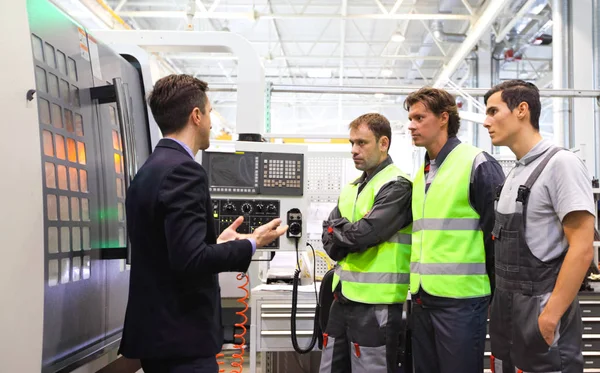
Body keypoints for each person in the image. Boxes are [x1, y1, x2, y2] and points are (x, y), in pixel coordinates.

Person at [118, 74, 287, 373]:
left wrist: (217, 243)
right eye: (209, 113)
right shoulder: (184, 172)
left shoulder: (149, 170)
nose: (211, 123)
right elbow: (190, 260)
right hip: (182, 340)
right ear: (196, 116)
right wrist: (251, 242)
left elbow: (168, 250)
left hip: (159, 334)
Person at [484, 79, 595, 372]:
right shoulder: (515, 173)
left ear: (522, 110)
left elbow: (582, 249)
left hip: (542, 310)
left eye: (494, 111)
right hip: (507, 310)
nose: (486, 122)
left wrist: (550, 316)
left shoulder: (561, 164)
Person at [404, 87, 505, 373]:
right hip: (423, 299)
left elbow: (498, 238)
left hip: (461, 303)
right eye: (410, 118)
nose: (411, 125)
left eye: (419, 117)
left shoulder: (477, 163)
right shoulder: (422, 173)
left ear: (443, 118)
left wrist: (497, 298)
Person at [319, 113, 413, 373]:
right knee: (330, 368)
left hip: (377, 304)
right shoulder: (351, 188)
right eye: (352, 143)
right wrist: (345, 234)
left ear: (383, 143)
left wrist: (344, 233)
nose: (354, 150)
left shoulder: (398, 186)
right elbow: (328, 236)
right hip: (343, 298)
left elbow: (364, 235)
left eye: (362, 143)